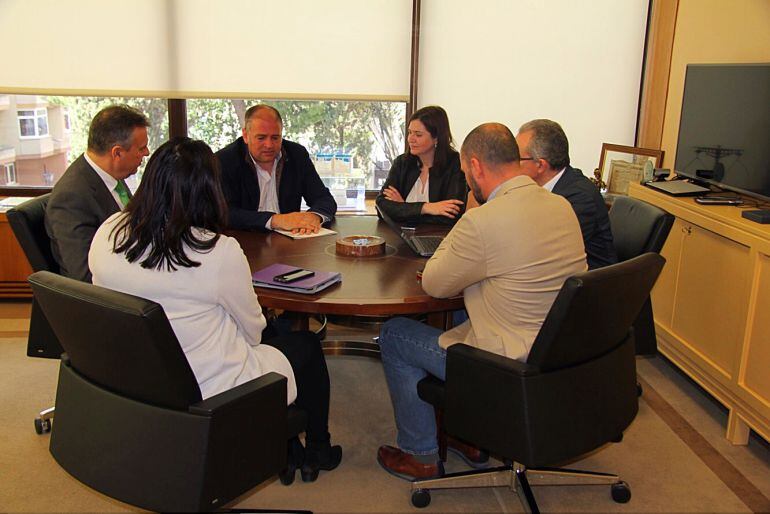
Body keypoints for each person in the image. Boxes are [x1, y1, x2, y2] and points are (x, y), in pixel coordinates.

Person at [88, 137, 342, 484]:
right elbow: (253, 331)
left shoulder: (108, 232)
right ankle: (318, 450)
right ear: (208, 190)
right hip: (209, 390)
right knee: (305, 346)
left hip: (137, 376)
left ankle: (288, 449)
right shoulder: (215, 251)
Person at [376, 123, 586, 481]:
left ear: (475, 167)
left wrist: (472, 216)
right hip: (562, 351)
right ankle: (469, 437)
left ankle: (421, 455)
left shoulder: (482, 220)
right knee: (464, 308)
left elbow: (435, 283)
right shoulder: (561, 205)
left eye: (464, 173)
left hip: (507, 363)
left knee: (395, 333)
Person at [45, 104, 150, 282]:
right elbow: (85, 275)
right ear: (117, 153)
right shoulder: (70, 198)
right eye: (141, 148)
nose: (146, 153)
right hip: (108, 300)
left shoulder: (113, 176)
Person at [216, 104, 337, 234]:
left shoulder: (296, 155)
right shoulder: (224, 160)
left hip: (291, 242)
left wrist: (313, 217)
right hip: (246, 241)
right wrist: (275, 220)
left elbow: (324, 199)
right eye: (261, 138)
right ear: (246, 135)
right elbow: (224, 213)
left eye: (275, 137)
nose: (269, 145)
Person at [517, 119, 618, 269]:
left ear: (540, 165)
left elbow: (539, 252)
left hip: (589, 285)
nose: (512, 164)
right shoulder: (539, 187)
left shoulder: (579, 199)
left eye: (517, 158)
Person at [375, 105, 467, 224]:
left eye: (418, 134)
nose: (410, 139)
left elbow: (450, 216)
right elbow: (381, 206)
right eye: (409, 132)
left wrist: (403, 207)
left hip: (438, 239)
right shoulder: (402, 163)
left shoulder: (455, 165)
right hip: (401, 236)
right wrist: (426, 208)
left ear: (437, 138)